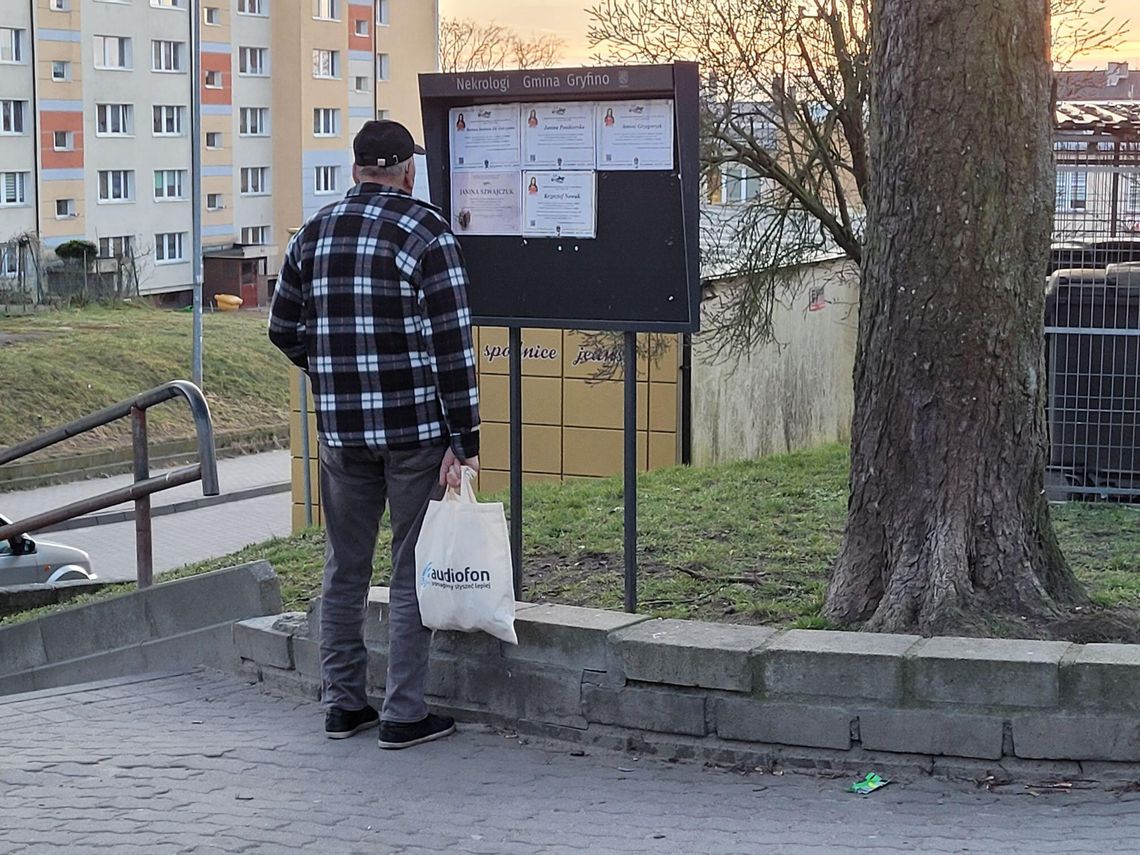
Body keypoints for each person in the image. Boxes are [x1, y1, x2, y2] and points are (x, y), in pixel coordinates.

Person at [268, 120, 480, 750]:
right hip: (414, 432)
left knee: (345, 567)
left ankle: (342, 705)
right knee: (411, 567)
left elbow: (283, 329)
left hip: (341, 433)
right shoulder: (425, 232)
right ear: (407, 170)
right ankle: (404, 713)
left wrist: (332, 372)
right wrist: (464, 440)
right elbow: (453, 348)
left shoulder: (313, 233)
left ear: (357, 167)